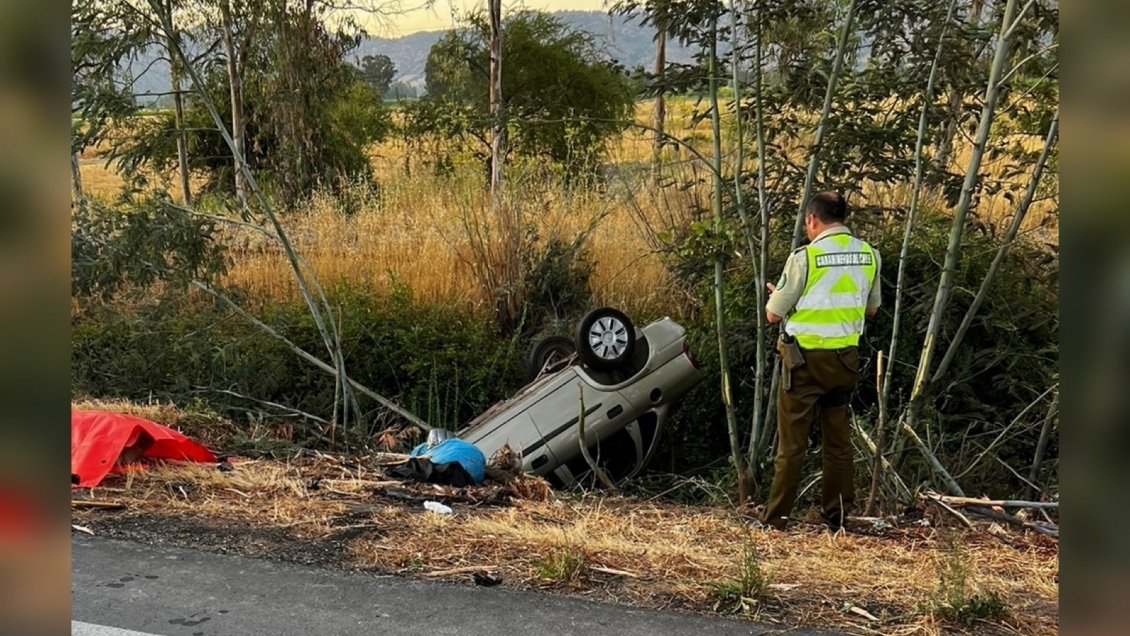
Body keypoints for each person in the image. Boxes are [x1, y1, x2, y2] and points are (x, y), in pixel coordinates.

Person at [761, 191, 881, 531]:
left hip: (804, 363)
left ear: (812, 220)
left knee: (792, 446)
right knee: (838, 444)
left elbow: (773, 315)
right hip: (845, 361)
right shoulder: (869, 255)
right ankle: (837, 517)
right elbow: (871, 308)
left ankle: (776, 519)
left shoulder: (805, 258)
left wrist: (781, 297)